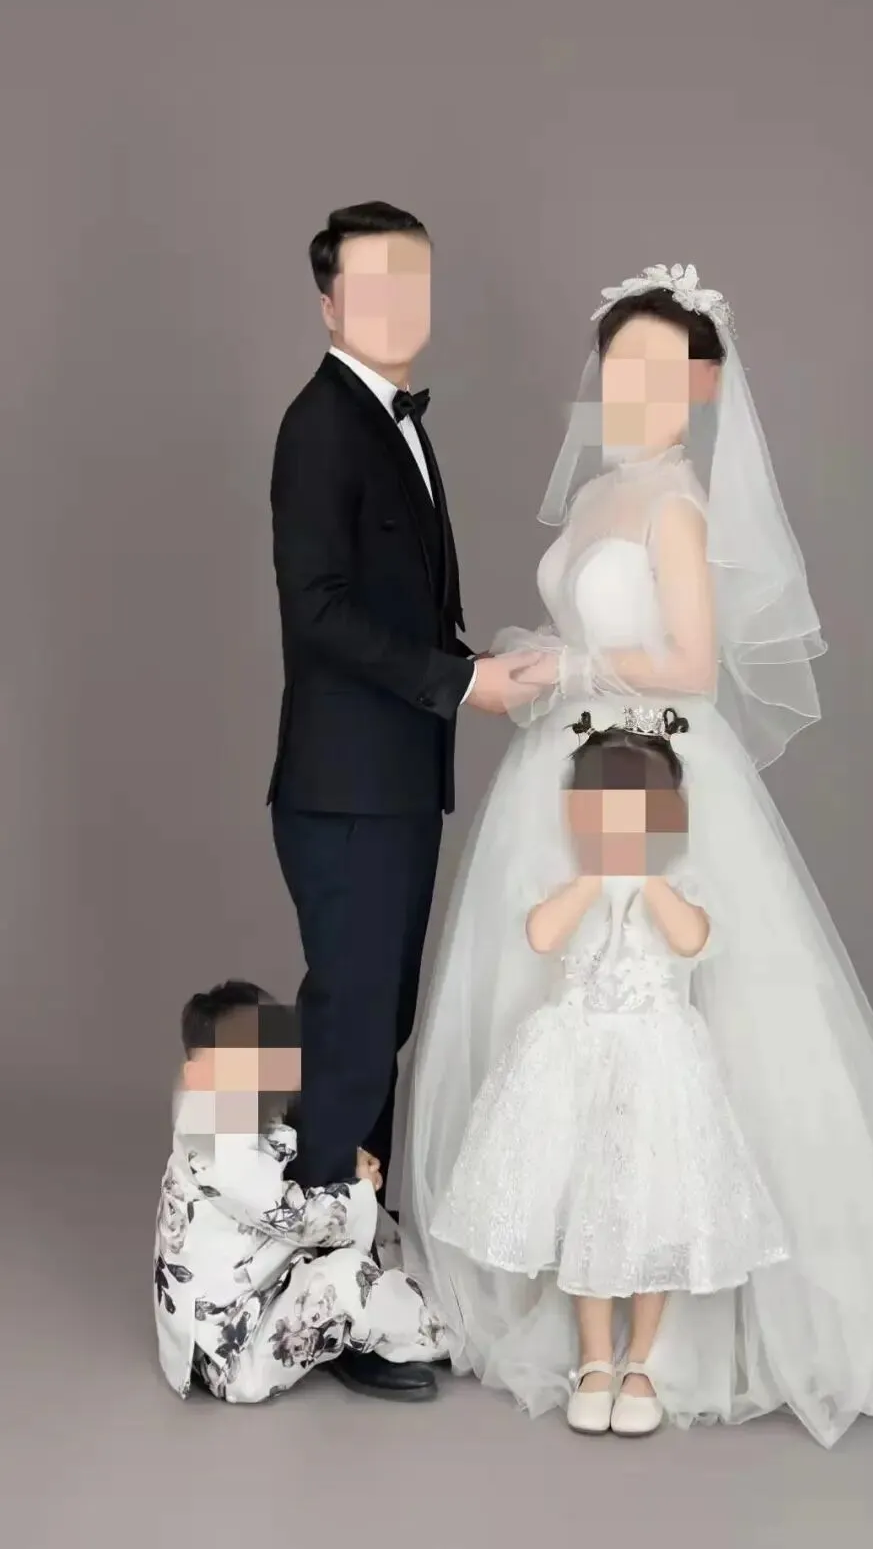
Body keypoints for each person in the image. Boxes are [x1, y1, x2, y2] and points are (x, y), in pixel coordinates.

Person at [402, 264, 873, 1447]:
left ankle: (670, 1332)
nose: (633, 390)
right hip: (564, 767)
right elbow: (595, 624)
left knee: (674, 1028)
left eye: (658, 371)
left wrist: (574, 669)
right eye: (617, 368)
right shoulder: (602, 492)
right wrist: (547, 664)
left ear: (701, 385)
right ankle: (565, 1291)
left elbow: (691, 664)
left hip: (653, 766)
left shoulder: (678, 506)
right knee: (551, 1017)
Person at [266, 202, 530, 1401]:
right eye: (372, 286)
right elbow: (317, 614)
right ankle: (325, 1302)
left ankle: (358, 1262)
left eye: (413, 283)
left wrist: (483, 666)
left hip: (394, 782)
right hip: (344, 790)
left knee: (380, 1028)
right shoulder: (320, 425)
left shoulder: (393, 421)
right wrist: (460, 683)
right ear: (330, 302)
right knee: (353, 1034)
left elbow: (405, 611)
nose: (396, 306)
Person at [429, 710, 789, 1435]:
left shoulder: (679, 880)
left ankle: (642, 1362)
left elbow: (691, 939)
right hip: (575, 1058)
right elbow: (542, 935)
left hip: (655, 1061)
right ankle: (595, 1359)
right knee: (583, 1203)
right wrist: (594, 876)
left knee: (654, 1202)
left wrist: (647, 876)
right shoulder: (570, 878)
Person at [154, 981, 445, 1405]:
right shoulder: (214, 1145)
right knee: (347, 1277)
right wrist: (359, 1188)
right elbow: (290, 1216)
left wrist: (345, 1163)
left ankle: (415, 1299)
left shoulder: (227, 1113)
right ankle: (448, 1333)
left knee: (377, 1232)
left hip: (248, 1301)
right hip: (234, 1352)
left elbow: (281, 1156)